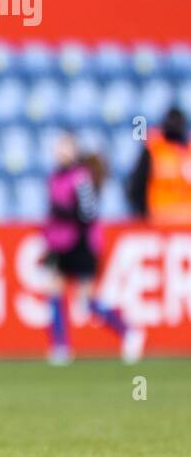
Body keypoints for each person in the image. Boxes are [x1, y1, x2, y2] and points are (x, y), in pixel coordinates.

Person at [43, 132, 144, 365]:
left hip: (81, 243)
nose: (59, 152)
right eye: (57, 147)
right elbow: (52, 213)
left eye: (64, 147)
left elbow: (87, 213)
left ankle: (128, 331)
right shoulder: (54, 178)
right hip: (60, 243)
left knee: (86, 300)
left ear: (73, 151)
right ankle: (60, 347)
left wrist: (64, 214)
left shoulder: (81, 178)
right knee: (54, 293)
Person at [125, 106, 191, 224]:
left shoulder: (188, 151)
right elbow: (137, 185)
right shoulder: (153, 149)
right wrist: (143, 214)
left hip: (186, 221)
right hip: (158, 220)